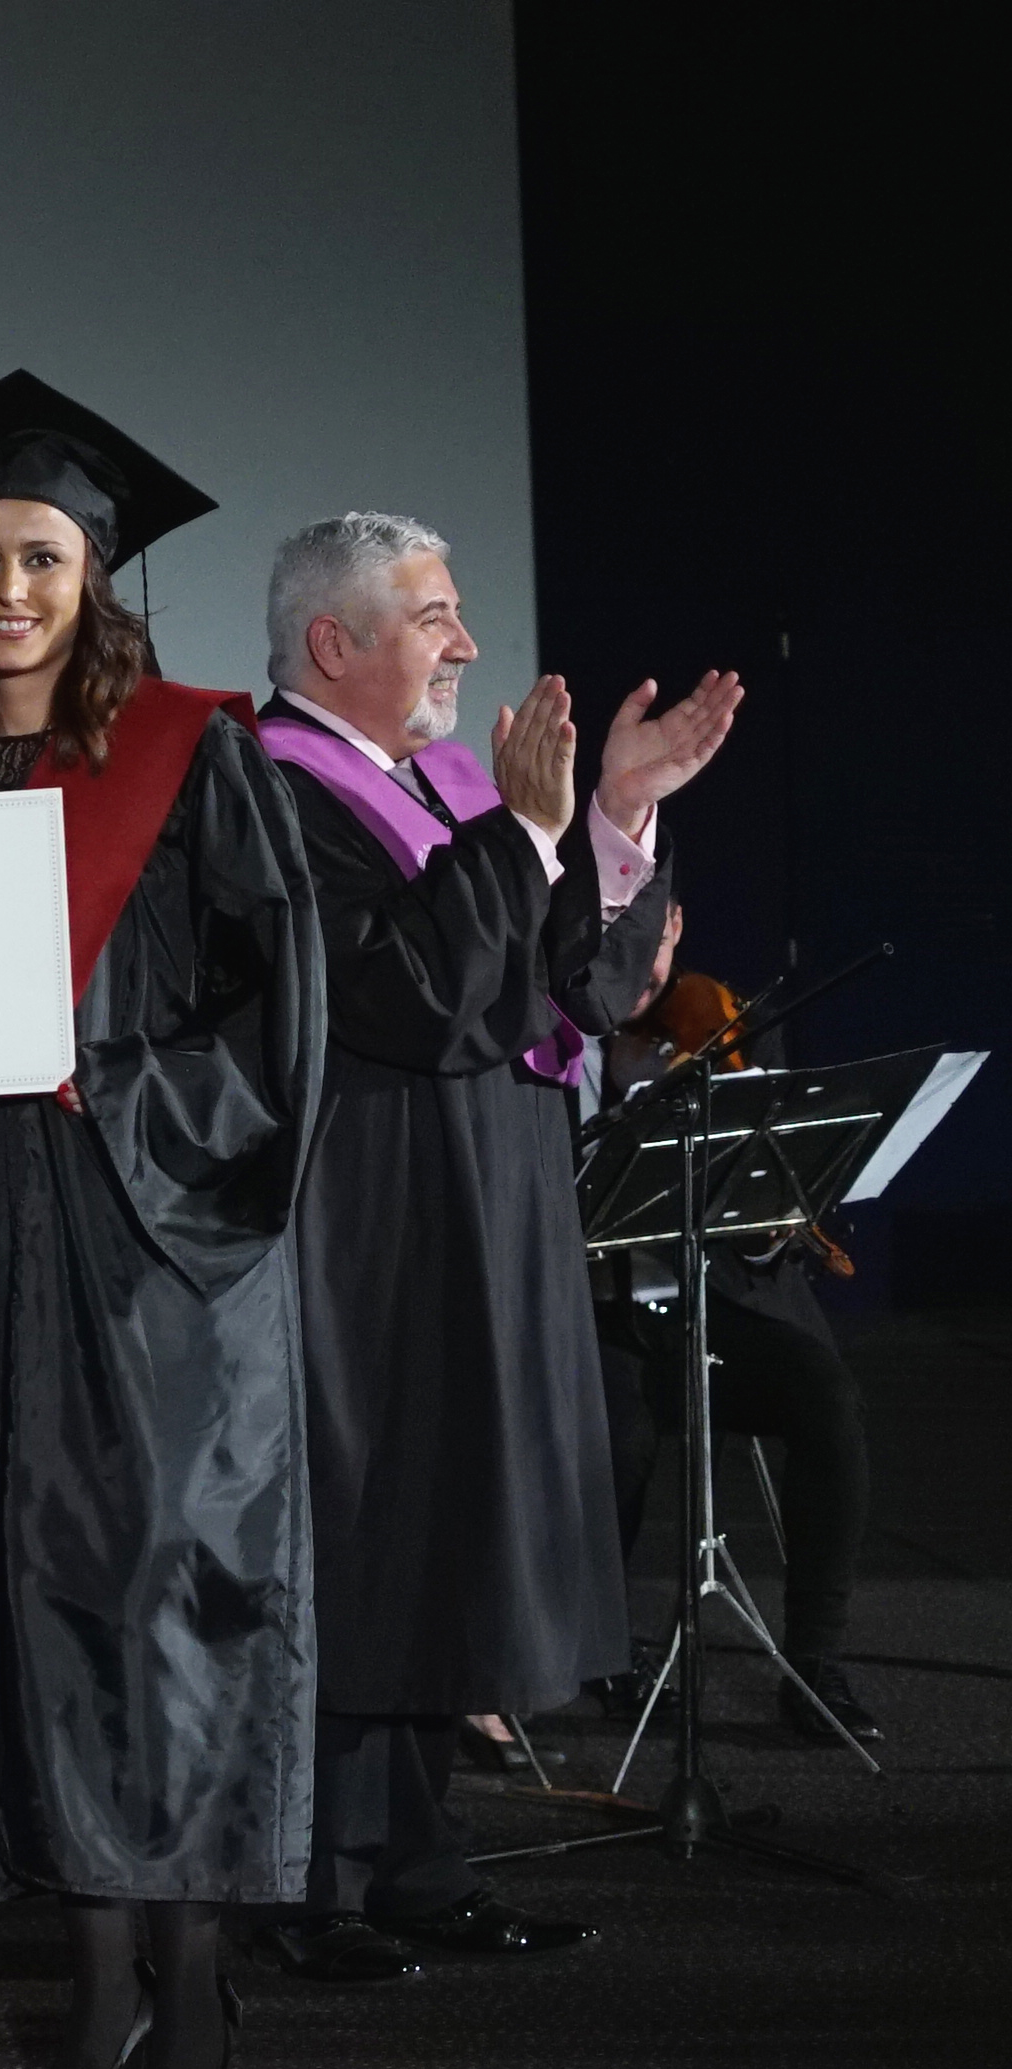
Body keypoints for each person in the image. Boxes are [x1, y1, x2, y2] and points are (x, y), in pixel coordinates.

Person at [0, 376, 327, 2069]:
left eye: (42, 557)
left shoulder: (195, 752)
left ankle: (192, 1992)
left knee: (170, 1603)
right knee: (29, 1603)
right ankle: (98, 1982)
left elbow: (280, 1024)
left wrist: (105, 1088)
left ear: (99, 577)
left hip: (166, 1256)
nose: (9, 589)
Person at [259, 514, 740, 1974]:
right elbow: (410, 999)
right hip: (371, 1212)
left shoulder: (451, 788)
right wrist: (532, 836)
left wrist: (618, 812)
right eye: (433, 619)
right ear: (332, 642)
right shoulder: (273, 791)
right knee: (369, 1531)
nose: (467, 645)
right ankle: (310, 1887)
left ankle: (417, 1867)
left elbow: (584, 992)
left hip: (495, 1195)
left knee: (447, 1526)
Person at [587, 933, 883, 1747]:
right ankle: (604, 1646)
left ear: (676, 925)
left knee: (828, 1401)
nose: (638, 960)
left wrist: (767, 1224)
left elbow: (766, 1223)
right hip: (604, 1313)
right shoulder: (559, 1043)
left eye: (651, 933)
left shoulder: (732, 1025)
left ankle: (814, 1661)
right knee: (621, 1439)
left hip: (718, 1307)